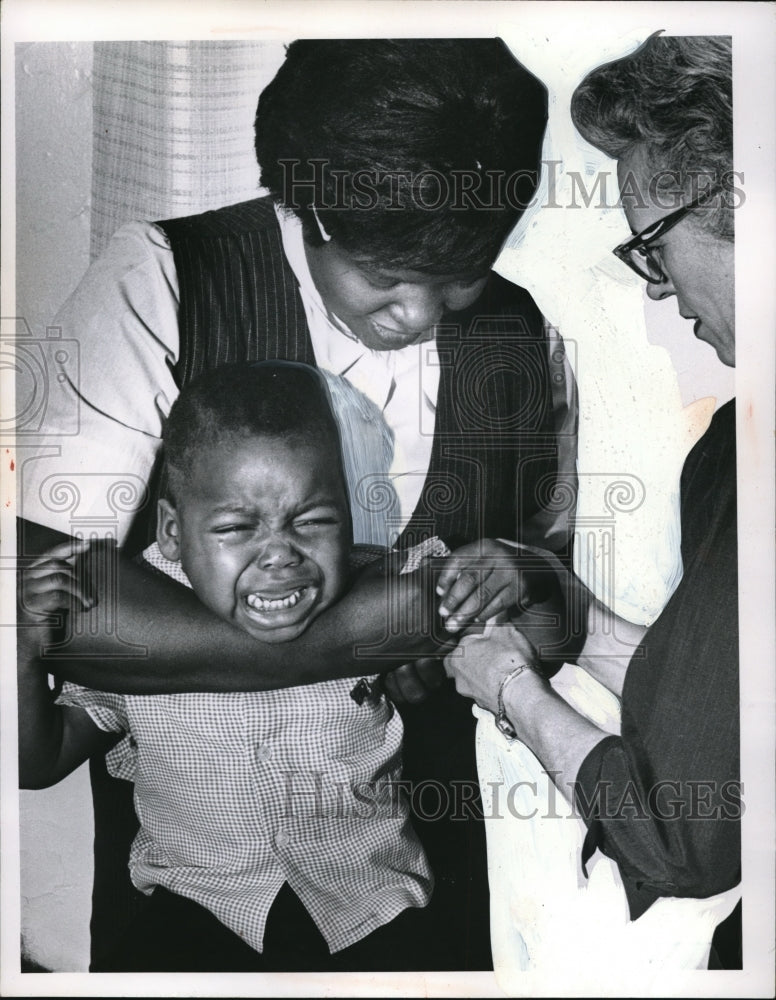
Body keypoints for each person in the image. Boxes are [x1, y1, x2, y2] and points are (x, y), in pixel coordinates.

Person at [18, 39, 571, 969]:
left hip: (412, 894)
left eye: (462, 272)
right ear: (303, 203)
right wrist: (396, 622)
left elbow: (547, 595)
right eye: (385, 276)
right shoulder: (164, 279)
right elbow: (67, 610)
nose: (423, 313)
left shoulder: (517, 334)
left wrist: (502, 589)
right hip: (193, 910)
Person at [19, 360, 520, 972]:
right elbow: (36, 764)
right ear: (173, 532)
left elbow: (505, 606)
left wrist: (510, 567)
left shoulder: (384, 590)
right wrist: (21, 651)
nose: (280, 554)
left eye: (312, 521)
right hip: (197, 909)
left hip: (374, 906)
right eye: (235, 527)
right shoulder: (136, 630)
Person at [445, 35, 741, 971]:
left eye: (655, 247)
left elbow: (684, 834)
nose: (659, 292)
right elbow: (721, 734)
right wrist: (571, 614)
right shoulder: (733, 453)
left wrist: (509, 689)